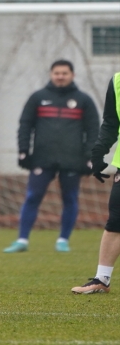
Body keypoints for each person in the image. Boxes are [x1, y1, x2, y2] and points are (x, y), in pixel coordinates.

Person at [4, 60, 100, 253]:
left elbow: (93, 130)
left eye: (64, 73)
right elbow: (25, 125)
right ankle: (22, 240)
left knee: (70, 198)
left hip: (72, 160)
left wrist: (91, 157)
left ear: (72, 75)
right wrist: (23, 151)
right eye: (57, 73)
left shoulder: (84, 100)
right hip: (42, 158)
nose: (60, 76)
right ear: (51, 74)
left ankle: (63, 240)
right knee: (33, 197)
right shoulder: (38, 98)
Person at [71, 72, 120, 294]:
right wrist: (99, 152)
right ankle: (102, 279)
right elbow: (111, 122)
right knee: (116, 220)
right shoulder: (118, 81)